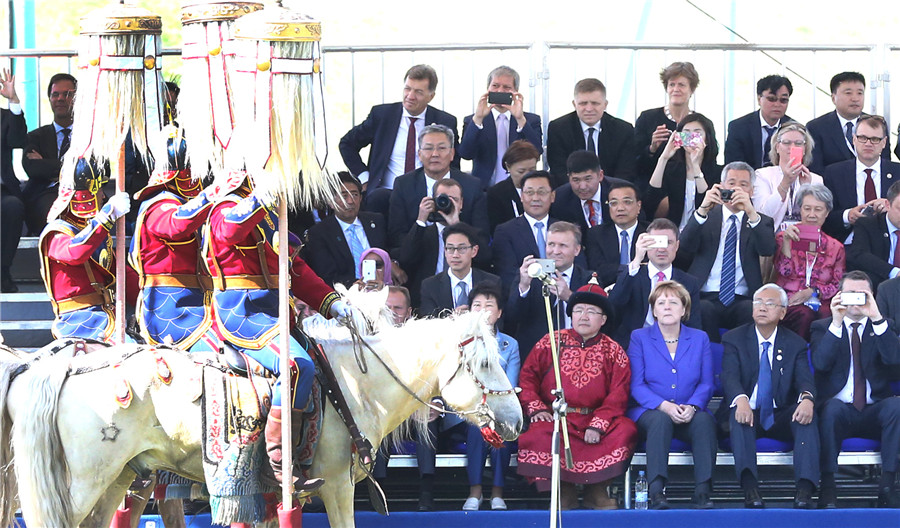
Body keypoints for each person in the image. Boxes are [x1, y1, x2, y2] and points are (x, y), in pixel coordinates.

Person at [203, 171, 352, 489]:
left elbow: (294, 268)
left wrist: (331, 303)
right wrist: (262, 197)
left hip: (277, 315)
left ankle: (311, 451)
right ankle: (277, 460)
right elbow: (228, 231)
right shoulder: (224, 205)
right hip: (245, 315)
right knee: (296, 365)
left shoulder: (270, 210)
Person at [517, 277, 637, 510]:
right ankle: (565, 492)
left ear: (603, 320)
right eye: (578, 310)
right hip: (557, 417)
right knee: (540, 432)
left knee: (625, 429)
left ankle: (597, 492)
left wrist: (599, 423)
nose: (583, 316)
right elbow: (527, 378)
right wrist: (537, 408)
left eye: (591, 312)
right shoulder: (551, 342)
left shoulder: (613, 350)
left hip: (595, 418)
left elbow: (619, 393)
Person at [721, 284, 819, 509]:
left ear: (783, 312)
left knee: (807, 416)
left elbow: (805, 379)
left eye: (770, 303)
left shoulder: (795, 344)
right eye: (758, 302)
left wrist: (806, 398)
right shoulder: (734, 339)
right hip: (748, 408)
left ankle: (805, 489)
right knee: (740, 415)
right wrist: (741, 399)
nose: (762, 308)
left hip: (780, 411)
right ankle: (750, 487)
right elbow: (729, 377)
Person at [810, 270, 900, 508]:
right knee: (831, 409)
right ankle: (828, 486)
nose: (856, 300)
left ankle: (888, 485)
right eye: (850, 294)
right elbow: (820, 364)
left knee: (896, 406)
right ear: (839, 296)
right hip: (839, 410)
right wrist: (837, 321)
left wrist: (877, 318)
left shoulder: (882, 325)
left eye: (863, 295)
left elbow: (894, 360)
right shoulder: (823, 327)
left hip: (874, 409)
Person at [627, 281, 716, 509]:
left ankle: (702, 491)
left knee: (704, 421)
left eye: (673, 302)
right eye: (661, 302)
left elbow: (706, 383)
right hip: (650, 411)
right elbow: (636, 385)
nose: (667, 307)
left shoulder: (699, 338)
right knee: (660, 421)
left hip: (689, 408)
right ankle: (656, 491)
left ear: (684, 310)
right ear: (654, 310)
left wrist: (693, 406)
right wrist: (664, 406)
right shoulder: (640, 337)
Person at [130, 133, 221, 352]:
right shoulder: (158, 203)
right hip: (170, 310)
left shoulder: (188, 203)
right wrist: (212, 194)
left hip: (202, 304)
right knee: (221, 353)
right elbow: (176, 224)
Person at [681, 161, 777, 343]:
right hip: (705, 294)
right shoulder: (706, 216)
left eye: (743, 185)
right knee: (703, 309)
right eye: (731, 183)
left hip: (742, 296)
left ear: (752, 191)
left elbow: (767, 249)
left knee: (750, 310)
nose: (736, 190)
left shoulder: (760, 220)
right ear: (721, 186)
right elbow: (684, 247)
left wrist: (750, 212)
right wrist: (702, 209)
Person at [39, 159, 131, 341]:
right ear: (86, 194)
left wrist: (147, 293)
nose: (103, 196)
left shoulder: (93, 231)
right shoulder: (56, 232)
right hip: (79, 321)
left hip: (106, 315)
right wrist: (108, 215)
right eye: (99, 190)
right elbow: (76, 253)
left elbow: (120, 274)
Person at [338, 65, 458, 198]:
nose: (410, 96)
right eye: (407, 89)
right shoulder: (382, 116)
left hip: (428, 195)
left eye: (418, 92)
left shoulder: (445, 121)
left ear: (431, 96)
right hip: (386, 194)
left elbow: (453, 160)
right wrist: (365, 178)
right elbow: (347, 144)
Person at [462, 283, 520, 511]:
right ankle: (475, 491)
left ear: (499, 313)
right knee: (478, 425)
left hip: (498, 408)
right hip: (465, 410)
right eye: (477, 305)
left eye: (489, 306)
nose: (483, 310)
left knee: (498, 426)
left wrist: (491, 409)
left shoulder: (509, 344)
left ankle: (497, 493)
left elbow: (510, 384)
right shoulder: (459, 342)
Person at [387, 124, 488, 249]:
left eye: (441, 148)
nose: (435, 154)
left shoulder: (472, 185)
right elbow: (396, 237)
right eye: (428, 148)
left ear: (452, 154)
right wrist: (420, 220)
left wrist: (457, 225)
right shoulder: (403, 185)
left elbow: (482, 239)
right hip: (417, 259)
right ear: (419, 154)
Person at [393, 178, 490, 307]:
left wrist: (456, 224)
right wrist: (421, 219)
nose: (448, 204)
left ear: (461, 203)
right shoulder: (423, 232)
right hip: (429, 298)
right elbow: (406, 258)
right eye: (443, 199)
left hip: (465, 297)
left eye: (454, 200)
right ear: (433, 202)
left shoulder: (471, 233)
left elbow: (485, 258)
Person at [608, 218, 702, 348]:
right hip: (635, 345)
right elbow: (614, 305)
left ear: (677, 245)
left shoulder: (689, 282)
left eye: (667, 243)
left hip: (674, 346)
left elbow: (693, 325)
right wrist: (637, 259)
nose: (661, 249)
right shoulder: (632, 274)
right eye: (656, 243)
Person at [504, 221, 592, 360]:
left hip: (579, 356)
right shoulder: (529, 276)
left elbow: (598, 319)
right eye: (551, 244)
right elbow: (511, 319)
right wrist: (524, 286)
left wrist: (570, 297)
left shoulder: (588, 279)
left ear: (577, 250)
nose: (555, 251)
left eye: (562, 245)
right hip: (537, 359)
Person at [773, 185, 845, 340]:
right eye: (807, 208)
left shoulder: (835, 247)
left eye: (818, 209)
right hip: (789, 300)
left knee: (827, 315)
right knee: (804, 315)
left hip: (820, 301)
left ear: (827, 213)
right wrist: (786, 242)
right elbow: (783, 272)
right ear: (801, 210)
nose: (812, 214)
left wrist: (813, 291)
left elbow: (837, 284)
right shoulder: (783, 237)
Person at [457, 65, 542, 189]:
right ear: (488, 88)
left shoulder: (530, 120)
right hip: (484, 189)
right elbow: (466, 153)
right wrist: (478, 119)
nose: (500, 91)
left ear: (515, 91)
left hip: (521, 188)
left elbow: (537, 151)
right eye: (495, 86)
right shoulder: (473, 120)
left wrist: (520, 119)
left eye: (507, 87)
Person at [302, 171, 389, 288]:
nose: (350, 201)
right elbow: (326, 275)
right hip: (347, 295)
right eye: (344, 196)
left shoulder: (376, 221)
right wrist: (354, 285)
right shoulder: (319, 233)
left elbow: (390, 250)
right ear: (331, 202)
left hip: (383, 288)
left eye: (354, 195)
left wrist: (393, 263)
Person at [823, 115, 900, 242]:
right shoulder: (833, 173)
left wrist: (890, 207)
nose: (868, 144)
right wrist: (848, 216)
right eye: (863, 138)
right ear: (854, 139)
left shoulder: (898, 172)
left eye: (875, 139)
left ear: (884, 142)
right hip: (848, 243)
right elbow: (825, 215)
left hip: (890, 244)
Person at [546, 78, 635, 185]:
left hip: (612, 191)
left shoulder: (623, 130)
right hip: (572, 191)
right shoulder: (558, 128)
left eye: (595, 103)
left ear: (605, 104)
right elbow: (558, 170)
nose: (589, 108)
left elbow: (626, 171)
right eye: (583, 103)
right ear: (574, 104)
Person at [643, 112, 721, 231]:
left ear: (707, 138)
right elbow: (650, 202)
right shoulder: (672, 170)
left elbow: (708, 205)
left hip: (704, 234)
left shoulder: (718, 172)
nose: (691, 137)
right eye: (686, 133)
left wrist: (695, 166)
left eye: (697, 133)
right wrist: (663, 158)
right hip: (674, 233)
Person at [807, 72, 892, 175]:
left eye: (860, 93)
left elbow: (886, 164)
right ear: (833, 98)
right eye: (848, 93)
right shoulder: (816, 127)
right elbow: (816, 170)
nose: (855, 98)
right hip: (832, 187)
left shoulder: (877, 125)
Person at [22, 72, 76, 235]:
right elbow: (32, 169)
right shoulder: (34, 137)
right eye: (55, 94)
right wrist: (75, 167)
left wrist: (48, 165)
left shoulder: (89, 136)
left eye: (67, 94)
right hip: (44, 195)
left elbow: (102, 169)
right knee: (53, 210)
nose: (60, 98)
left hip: (81, 194)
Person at [634, 62, 700, 189]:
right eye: (672, 85)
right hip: (653, 184)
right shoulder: (648, 118)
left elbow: (710, 159)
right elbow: (636, 161)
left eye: (681, 85)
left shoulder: (700, 123)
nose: (676, 89)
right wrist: (652, 148)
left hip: (689, 184)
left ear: (692, 89)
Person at [492, 170, 557, 295]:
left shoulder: (565, 229)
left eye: (542, 192)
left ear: (552, 196)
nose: (535, 198)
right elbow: (507, 274)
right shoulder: (505, 231)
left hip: (560, 297)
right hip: (525, 300)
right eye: (529, 192)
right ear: (521, 196)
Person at [419, 222, 499, 317]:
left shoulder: (492, 282)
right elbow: (429, 324)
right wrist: (453, 321)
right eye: (450, 248)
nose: (455, 255)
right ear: (445, 251)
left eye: (461, 248)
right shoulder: (430, 286)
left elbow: (499, 321)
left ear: (474, 251)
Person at [752, 121, 822, 229]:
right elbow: (763, 215)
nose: (792, 147)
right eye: (786, 142)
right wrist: (785, 182)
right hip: (771, 239)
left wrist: (806, 189)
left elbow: (817, 218)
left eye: (798, 143)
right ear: (777, 147)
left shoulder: (816, 180)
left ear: (805, 149)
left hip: (803, 238)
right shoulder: (762, 175)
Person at [584, 181, 647, 287]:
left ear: (638, 206)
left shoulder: (649, 232)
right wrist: (632, 267)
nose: (620, 208)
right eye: (613, 203)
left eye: (627, 202)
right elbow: (599, 271)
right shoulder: (595, 234)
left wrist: (617, 269)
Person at [724, 75, 795, 169]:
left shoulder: (794, 129)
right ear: (759, 99)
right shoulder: (739, 127)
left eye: (783, 100)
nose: (777, 104)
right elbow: (733, 166)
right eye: (771, 99)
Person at [550, 150, 627, 235]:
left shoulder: (622, 191)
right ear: (569, 177)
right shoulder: (560, 199)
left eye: (588, 179)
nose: (582, 186)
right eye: (576, 180)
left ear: (600, 175)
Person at [0, 68, 26, 292]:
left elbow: (18, 140)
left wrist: (13, 100)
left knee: (13, 206)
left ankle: (2, 271)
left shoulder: (5, 116)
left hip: (2, 190)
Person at [847, 180, 900, 287]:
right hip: (878, 287)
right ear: (887, 205)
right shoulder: (868, 224)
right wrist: (894, 272)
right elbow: (859, 254)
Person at [486, 139, 538, 234]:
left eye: (532, 170)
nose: (526, 175)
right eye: (521, 171)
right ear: (508, 167)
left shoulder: (544, 188)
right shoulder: (497, 193)